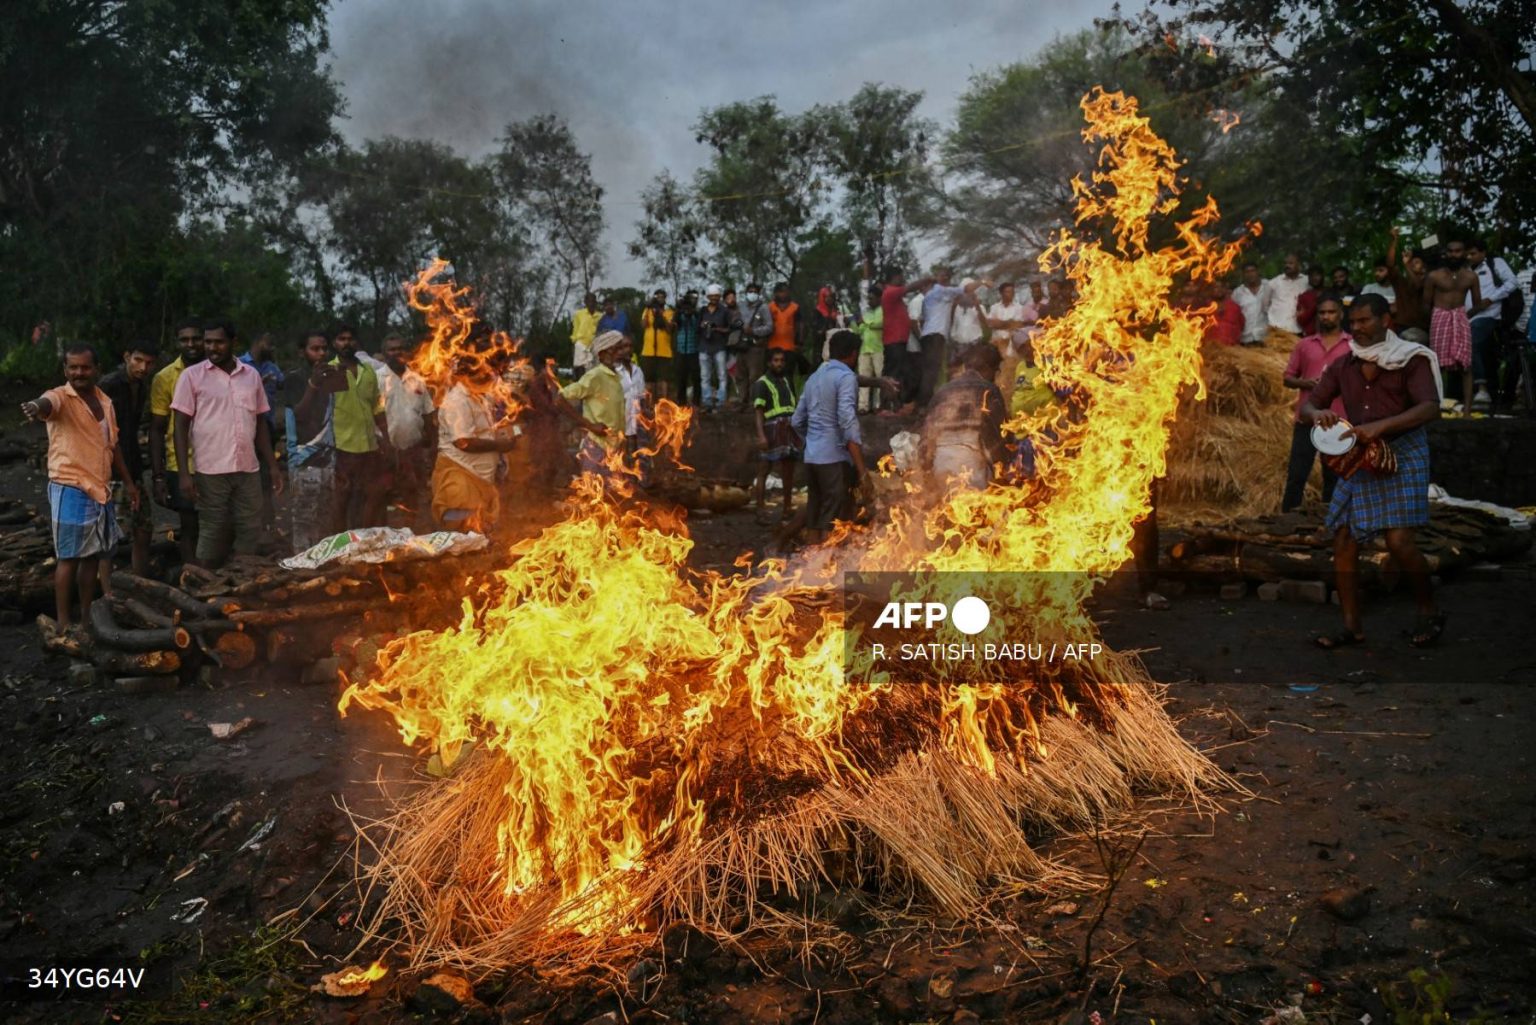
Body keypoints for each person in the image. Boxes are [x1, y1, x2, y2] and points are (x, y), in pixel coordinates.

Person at [1301, 293, 1443, 649]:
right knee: (1344, 538)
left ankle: (1428, 610)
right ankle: (1351, 626)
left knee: (1398, 540)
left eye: (1365, 321)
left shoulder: (1411, 360)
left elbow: (1429, 408)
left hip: (1404, 452)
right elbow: (1310, 405)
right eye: (1355, 322)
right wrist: (1319, 415)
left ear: (1386, 322)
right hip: (1360, 455)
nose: (1357, 328)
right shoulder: (1344, 365)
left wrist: (1382, 427)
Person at [21, 345, 140, 631]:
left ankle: (87, 618)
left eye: (85, 367)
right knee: (69, 558)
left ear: (96, 369)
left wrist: (129, 484)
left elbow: (113, 447)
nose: (79, 373)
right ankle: (63, 624)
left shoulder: (105, 402)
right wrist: (35, 406)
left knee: (92, 556)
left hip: (100, 488)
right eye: (73, 367)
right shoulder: (61, 396)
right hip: (70, 487)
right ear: (65, 371)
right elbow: (45, 403)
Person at [171, 320, 281, 568]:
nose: (212, 347)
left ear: (233, 343)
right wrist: (184, 474)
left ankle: (240, 579)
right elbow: (180, 426)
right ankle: (203, 584)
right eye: (207, 341)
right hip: (211, 469)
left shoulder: (251, 376)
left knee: (250, 525)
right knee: (213, 527)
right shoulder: (192, 376)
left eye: (218, 341)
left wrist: (273, 466)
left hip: (247, 467)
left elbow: (260, 423)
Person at [790, 330, 870, 544]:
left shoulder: (814, 378)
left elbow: (796, 420)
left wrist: (811, 443)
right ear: (853, 354)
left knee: (815, 518)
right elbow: (847, 421)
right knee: (835, 520)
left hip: (812, 458)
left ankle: (810, 572)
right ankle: (827, 571)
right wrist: (862, 472)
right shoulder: (845, 377)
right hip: (834, 459)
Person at [1281, 295, 1350, 512]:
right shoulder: (1304, 345)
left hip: (1338, 420)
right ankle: (1286, 520)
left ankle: (1330, 521)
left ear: (1340, 314)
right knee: (1297, 475)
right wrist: (1307, 383)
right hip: (1307, 419)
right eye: (1322, 313)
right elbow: (1287, 377)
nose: (1326, 316)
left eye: (1331, 312)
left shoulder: (1352, 346)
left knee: (1334, 476)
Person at [98, 339, 158, 576]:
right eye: (138, 360)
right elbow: (104, 435)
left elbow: (130, 431)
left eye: (149, 363)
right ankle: (106, 591)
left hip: (132, 465)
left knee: (143, 528)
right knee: (109, 535)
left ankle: (139, 580)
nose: (143, 368)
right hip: (110, 469)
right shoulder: (110, 385)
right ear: (126, 357)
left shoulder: (141, 386)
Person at [433, 360, 515, 531]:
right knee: (461, 534)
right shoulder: (457, 401)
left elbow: (484, 431)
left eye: (488, 372)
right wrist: (499, 445)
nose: (487, 376)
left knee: (478, 535)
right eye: (482, 373)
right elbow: (463, 442)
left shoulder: (479, 396)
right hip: (460, 475)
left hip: (480, 477)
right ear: (465, 376)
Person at [149, 318, 204, 562]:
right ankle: (192, 574)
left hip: (218, 463)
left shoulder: (220, 371)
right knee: (189, 525)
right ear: (177, 342)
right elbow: (157, 429)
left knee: (219, 524)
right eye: (185, 339)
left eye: (196, 338)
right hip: (181, 464)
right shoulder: (165, 377)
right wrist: (158, 475)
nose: (191, 344)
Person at [329, 324, 392, 531]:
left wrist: (386, 438)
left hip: (368, 445)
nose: (346, 343)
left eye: (350, 338)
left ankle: (363, 538)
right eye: (341, 339)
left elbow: (377, 406)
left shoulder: (368, 372)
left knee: (371, 494)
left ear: (356, 342)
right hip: (341, 446)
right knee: (341, 497)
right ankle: (339, 543)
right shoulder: (329, 370)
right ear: (334, 343)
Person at [920, 343, 1007, 492]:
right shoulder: (989, 390)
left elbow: (926, 439)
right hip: (974, 469)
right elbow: (996, 441)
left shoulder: (943, 391)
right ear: (989, 369)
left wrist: (927, 472)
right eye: (996, 371)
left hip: (941, 467)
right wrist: (1003, 477)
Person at [283, 331, 337, 552]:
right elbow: (299, 415)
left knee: (325, 516)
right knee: (304, 517)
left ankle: (323, 563)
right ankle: (303, 565)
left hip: (329, 457)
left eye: (324, 348)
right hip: (303, 459)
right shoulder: (294, 377)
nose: (322, 353)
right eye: (315, 349)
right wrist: (313, 384)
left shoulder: (331, 375)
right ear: (302, 352)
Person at [377, 333, 437, 527]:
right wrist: (384, 447)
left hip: (413, 449)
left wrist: (433, 444)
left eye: (400, 349)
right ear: (384, 354)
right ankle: (384, 537)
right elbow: (372, 416)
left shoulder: (417, 379)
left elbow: (428, 412)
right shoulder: (377, 379)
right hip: (385, 450)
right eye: (391, 349)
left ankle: (410, 533)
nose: (396, 353)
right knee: (383, 496)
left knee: (412, 493)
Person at [559, 330, 629, 475]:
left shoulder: (616, 377)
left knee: (613, 495)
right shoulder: (595, 376)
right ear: (603, 354)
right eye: (617, 349)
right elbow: (560, 398)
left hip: (614, 449)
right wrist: (590, 425)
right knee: (592, 494)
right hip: (595, 447)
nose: (622, 352)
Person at [1424, 238, 1482, 411]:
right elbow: (1425, 304)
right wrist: (1436, 319)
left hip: (1460, 317)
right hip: (1439, 317)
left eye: (1457, 251)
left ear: (1464, 253)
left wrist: (1462, 316)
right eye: (1450, 251)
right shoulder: (1434, 276)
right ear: (1445, 253)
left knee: (1466, 364)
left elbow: (1478, 303)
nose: (1453, 255)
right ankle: (1434, 408)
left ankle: (1467, 410)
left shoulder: (1471, 276)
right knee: (1438, 364)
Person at [917, 268, 985, 409]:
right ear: (937, 278)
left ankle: (924, 404)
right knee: (933, 372)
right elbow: (966, 289)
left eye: (947, 276)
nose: (946, 279)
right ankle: (925, 405)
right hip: (936, 336)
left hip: (927, 336)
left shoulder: (929, 296)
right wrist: (983, 281)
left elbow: (922, 320)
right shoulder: (941, 291)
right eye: (943, 276)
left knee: (929, 371)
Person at [1465, 238, 1517, 411]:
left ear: (1483, 253)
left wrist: (1491, 299)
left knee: (1472, 342)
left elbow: (1512, 283)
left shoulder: (1495, 264)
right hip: (1467, 318)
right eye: (1468, 254)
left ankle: (1482, 389)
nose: (1470, 257)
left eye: (1473, 253)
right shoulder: (1465, 270)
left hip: (1489, 315)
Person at [753, 348, 802, 521]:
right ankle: (760, 510)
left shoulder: (787, 380)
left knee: (789, 469)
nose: (779, 363)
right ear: (769, 363)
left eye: (781, 360)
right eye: (775, 360)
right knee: (764, 469)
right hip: (771, 428)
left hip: (788, 427)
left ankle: (787, 508)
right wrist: (761, 436)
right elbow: (759, 411)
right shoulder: (761, 383)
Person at [985, 281, 1033, 403]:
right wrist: (1008, 323)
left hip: (1011, 346)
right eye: (1007, 292)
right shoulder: (994, 307)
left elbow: (1018, 325)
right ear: (1001, 293)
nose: (1010, 294)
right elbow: (990, 323)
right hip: (996, 345)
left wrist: (1001, 323)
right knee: (996, 373)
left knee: (1011, 373)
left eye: (1012, 292)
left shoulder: (1019, 308)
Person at [1384, 229, 1429, 345]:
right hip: (1401, 326)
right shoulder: (1401, 281)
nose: (1413, 264)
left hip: (1421, 328)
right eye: (1411, 262)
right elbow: (1390, 265)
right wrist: (1394, 240)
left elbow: (1417, 285)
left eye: (1417, 262)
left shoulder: (1429, 281)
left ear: (1424, 267)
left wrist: (1407, 265)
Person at [697, 284, 736, 412]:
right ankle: (707, 402)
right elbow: (696, 329)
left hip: (719, 347)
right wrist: (703, 325)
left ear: (719, 297)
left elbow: (731, 329)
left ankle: (720, 403)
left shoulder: (725, 311)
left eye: (716, 296)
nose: (714, 298)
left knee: (722, 376)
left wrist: (717, 328)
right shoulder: (702, 311)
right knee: (705, 376)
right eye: (712, 296)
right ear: (708, 296)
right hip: (704, 347)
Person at [737, 282, 775, 409]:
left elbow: (769, 327)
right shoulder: (741, 306)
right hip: (741, 345)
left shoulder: (763, 307)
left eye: (755, 292)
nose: (752, 294)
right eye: (750, 291)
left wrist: (753, 331)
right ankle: (742, 401)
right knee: (741, 376)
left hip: (756, 347)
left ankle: (756, 404)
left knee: (755, 376)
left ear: (758, 294)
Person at [238, 332, 284, 430]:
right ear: (258, 343)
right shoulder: (239, 364)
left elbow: (283, 384)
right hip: (244, 423)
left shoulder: (272, 367)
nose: (272, 348)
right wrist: (258, 383)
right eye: (269, 344)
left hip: (268, 423)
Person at [639, 289, 675, 402]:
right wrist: (649, 308)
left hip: (664, 351)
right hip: (648, 350)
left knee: (663, 379)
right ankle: (650, 403)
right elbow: (643, 325)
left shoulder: (669, 312)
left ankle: (663, 403)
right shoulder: (648, 310)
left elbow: (670, 329)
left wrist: (660, 315)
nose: (660, 299)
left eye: (662, 297)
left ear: (665, 299)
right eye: (657, 297)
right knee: (649, 379)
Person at [1265, 253, 1308, 346]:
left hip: (1298, 332)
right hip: (1277, 332)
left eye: (1291, 263)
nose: (1287, 266)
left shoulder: (1306, 282)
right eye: (1285, 263)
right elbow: (1264, 305)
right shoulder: (1274, 282)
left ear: (1299, 265)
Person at [855, 285, 885, 413]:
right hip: (864, 349)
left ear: (879, 298)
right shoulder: (866, 313)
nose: (869, 301)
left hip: (878, 348)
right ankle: (863, 406)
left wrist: (864, 322)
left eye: (872, 298)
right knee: (863, 378)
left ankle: (878, 405)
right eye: (868, 299)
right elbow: (859, 329)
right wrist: (855, 323)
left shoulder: (883, 310)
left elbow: (879, 324)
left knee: (879, 378)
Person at [1232, 262, 1272, 345]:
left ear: (1258, 272)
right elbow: (1234, 316)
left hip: (1266, 338)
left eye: (1253, 271)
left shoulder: (1270, 286)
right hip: (1245, 340)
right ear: (1243, 274)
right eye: (1247, 272)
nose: (1250, 274)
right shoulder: (1237, 293)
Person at [673, 290, 701, 406]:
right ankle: (681, 402)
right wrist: (680, 311)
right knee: (681, 378)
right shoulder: (679, 313)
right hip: (681, 350)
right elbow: (675, 323)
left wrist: (693, 314)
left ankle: (696, 401)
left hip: (693, 350)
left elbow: (698, 328)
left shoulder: (697, 313)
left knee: (696, 378)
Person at [767, 282, 803, 364]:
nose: (783, 294)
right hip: (772, 346)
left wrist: (799, 342)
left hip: (789, 347)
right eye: (780, 292)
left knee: (788, 372)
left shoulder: (795, 307)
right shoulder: (770, 307)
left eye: (785, 291)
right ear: (776, 293)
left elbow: (800, 326)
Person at [1207, 281, 1245, 347]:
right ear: (1210, 290)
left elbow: (1241, 325)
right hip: (1210, 350)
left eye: (1221, 287)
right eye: (1215, 287)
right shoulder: (1204, 308)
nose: (1219, 289)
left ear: (1225, 289)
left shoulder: (1235, 307)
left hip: (1232, 349)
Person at [570, 292, 601, 372]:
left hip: (594, 345)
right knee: (580, 368)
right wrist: (574, 344)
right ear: (585, 302)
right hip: (581, 344)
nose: (591, 303)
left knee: (593, 369)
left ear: (596, 302)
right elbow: (575, 330)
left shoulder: (600, 316)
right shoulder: (579, 314)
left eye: (593, 301)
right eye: (589, 301)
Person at [1297, 266, 1327, 336]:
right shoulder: (1303, 296)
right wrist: (1315, 305)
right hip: (1311, 337)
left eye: (1317, 275)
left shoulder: (1331, 292)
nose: (1314, 278)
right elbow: (1301, 320)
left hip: (1331, 336)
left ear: (1322, 276)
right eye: (1311, 276)